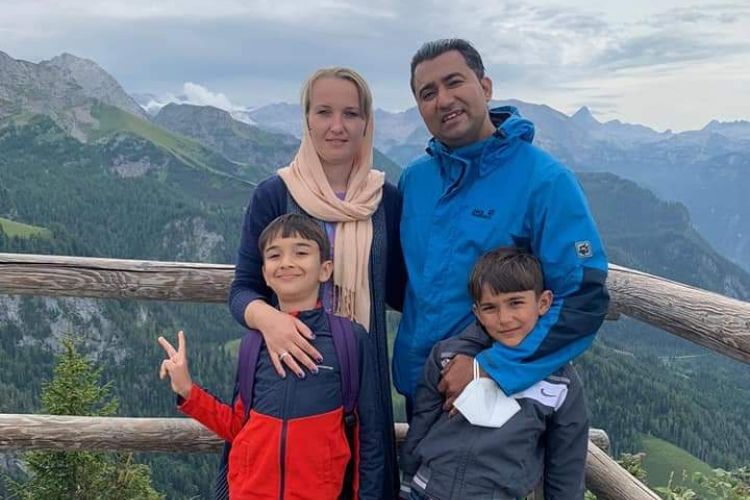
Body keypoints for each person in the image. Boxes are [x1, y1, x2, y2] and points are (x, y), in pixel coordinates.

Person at [394, 38, 610, 415]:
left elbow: (583, 295)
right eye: (428, 93)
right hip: (423, 389)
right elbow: (410, 284)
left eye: (454, 82)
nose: (443, 100)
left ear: (485, 87)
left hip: (501, 398)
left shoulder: (545, 180)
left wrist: (490, 368)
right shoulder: (415, 180)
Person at [228, 67, 404, 497]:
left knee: (362, 477)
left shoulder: (386, 200)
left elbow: (403, 290)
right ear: (306, 118)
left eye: (350, 113)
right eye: (324, 112)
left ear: (366, 122)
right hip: (285, 369)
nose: (336, 126)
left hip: (359, 375)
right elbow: (243, 289)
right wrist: (271, 322)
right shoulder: (275, 194)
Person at [159, 214, 386, 499]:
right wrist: (187, 391)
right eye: (274, 255)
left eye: (301, 252)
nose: (286, 262)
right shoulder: (254, 344)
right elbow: (239, 426)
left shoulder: (348, 340)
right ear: (265, 274)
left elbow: (370, 438)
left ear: (325, 269)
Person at [400, 247, 589, 499]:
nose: (504, 318)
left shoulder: (560, 382)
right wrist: (406, 488)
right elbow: (421, 426)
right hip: (426, 492)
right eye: (490, 308)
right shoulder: (447, 357)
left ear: (543, 302)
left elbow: (566, 467)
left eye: (516, 303)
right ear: (477, 312)